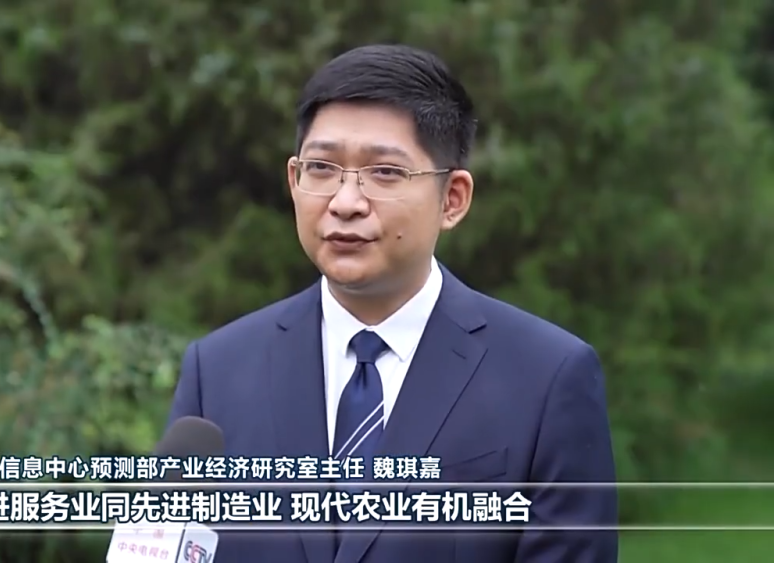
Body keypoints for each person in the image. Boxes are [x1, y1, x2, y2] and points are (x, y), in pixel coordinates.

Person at [167, 44, 617, 563]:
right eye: (322, 168)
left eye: (384, 172)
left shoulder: (547, 377)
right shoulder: (217, 370)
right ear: (294, 181)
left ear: (453, 199)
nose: (345, 202)